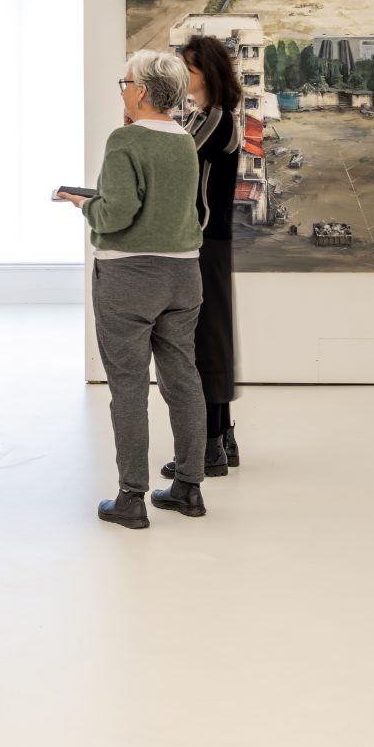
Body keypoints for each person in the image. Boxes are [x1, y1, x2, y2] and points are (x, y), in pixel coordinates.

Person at [58, 50, 207, 528]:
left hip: (129, 277)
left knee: (128, 386)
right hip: (183, 275)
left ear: (141, 90)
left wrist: (84, 205)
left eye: (125, 83)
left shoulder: (124, 141)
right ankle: (188, 488)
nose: (122, 90)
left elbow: (116, 215)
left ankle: (131, 497)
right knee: (183, 379)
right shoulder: (185, 140)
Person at [158, 34, 243, 480]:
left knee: (204, 341)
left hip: (206, 241)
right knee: (212, 337)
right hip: (209, 240)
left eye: (187, 69)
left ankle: (209, 447)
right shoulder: (205, 117)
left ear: (206, 73)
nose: (181, 76)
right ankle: (221, 438)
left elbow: (178, 162)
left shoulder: (215, 120)